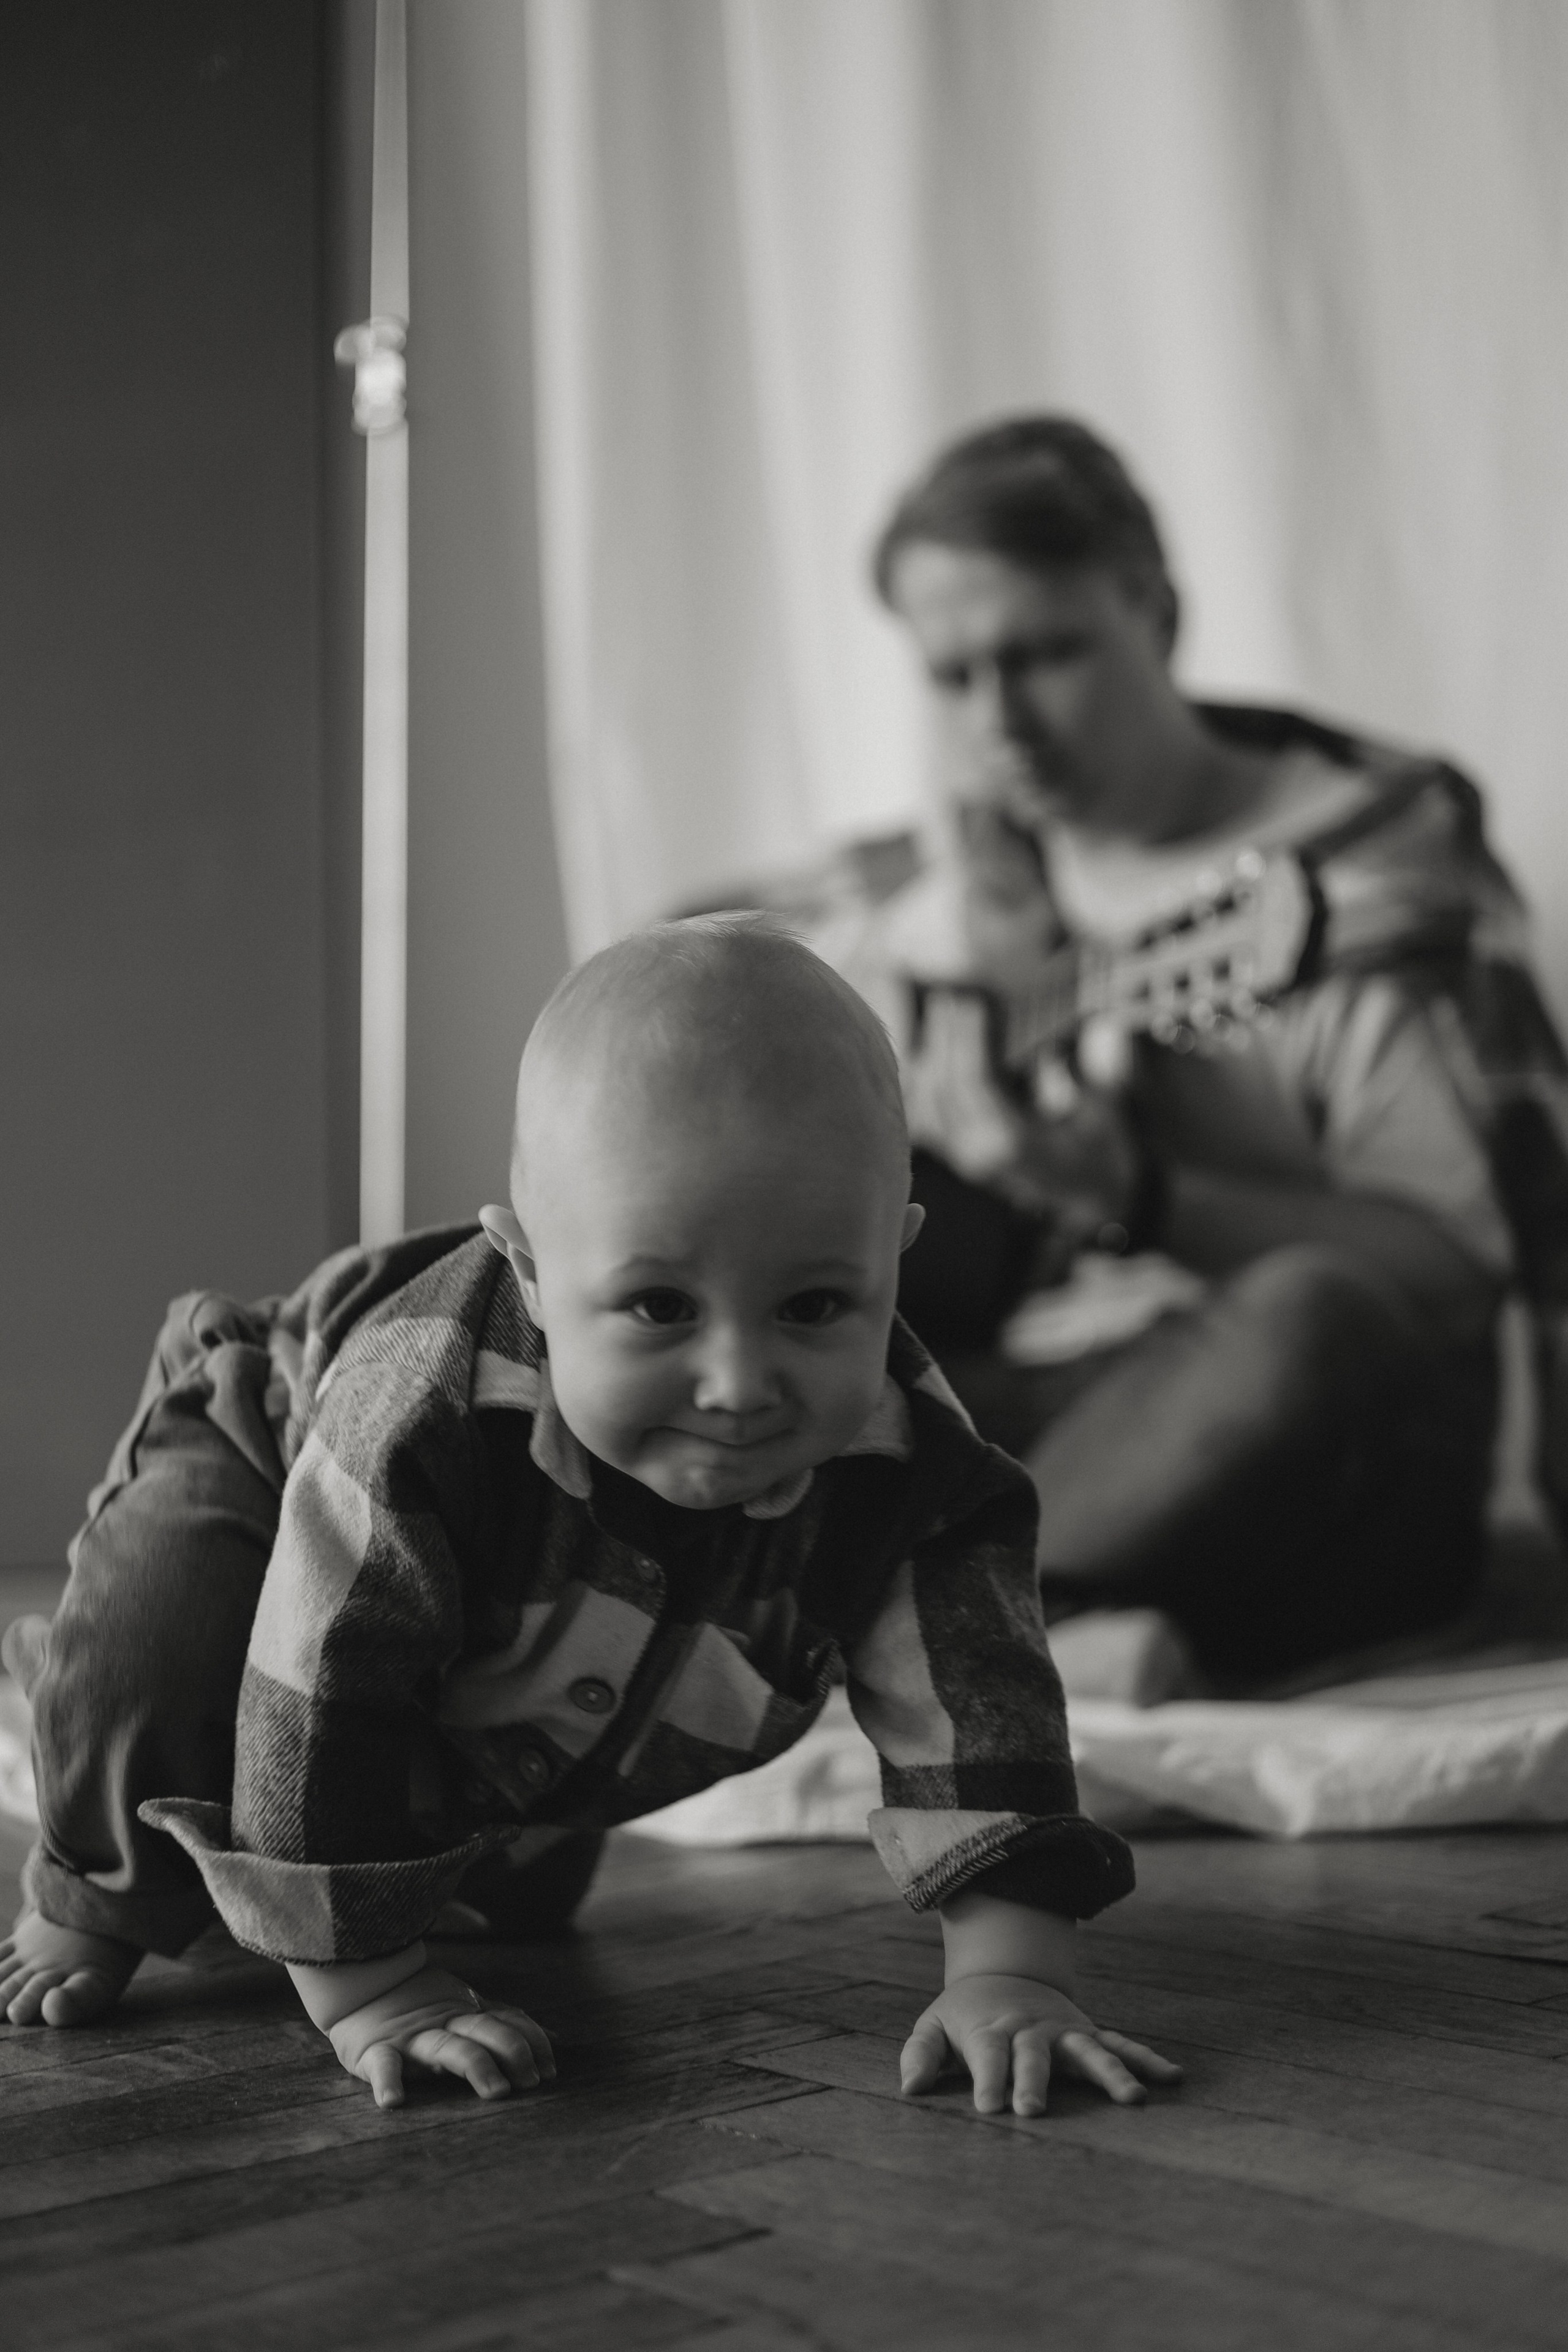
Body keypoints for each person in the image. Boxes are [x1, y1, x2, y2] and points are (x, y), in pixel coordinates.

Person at [0, 919, 1177, 2121]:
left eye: (815, 1304)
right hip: (269, 1452)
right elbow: (320, 1685)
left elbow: (981, 1715)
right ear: (526, 1272)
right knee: (152, 1641)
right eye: (660, 1306)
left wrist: (1010, 1976)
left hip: (542, 1660)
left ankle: (453, 1838)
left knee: (514, 1879)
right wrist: (376, 1993)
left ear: (895, 1258)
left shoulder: (912, 1471)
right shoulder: (416, 1418)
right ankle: (97, 1891)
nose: (738, 1382)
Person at [782, 416, 1568, 1690]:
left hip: (1281, 1433)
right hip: (1029, 1408)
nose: (1001, 724)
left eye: (1043, 655)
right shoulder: (954, 878)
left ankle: (894, 1638)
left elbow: (1447, 1278)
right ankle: (1025, 1633)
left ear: (1154, 606)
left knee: (1316, 1318)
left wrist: (1141, 1197)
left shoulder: (1355, 887)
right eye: (952, 676)